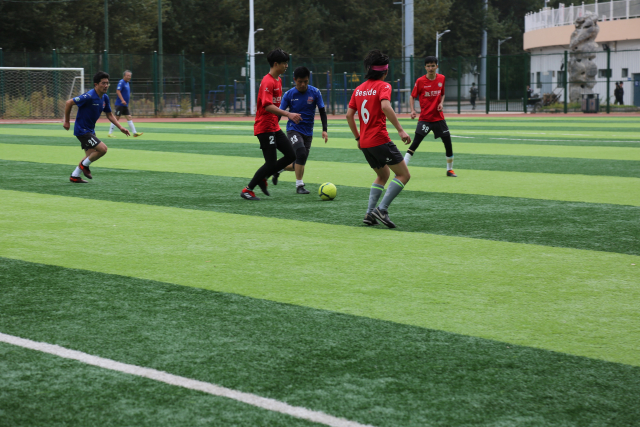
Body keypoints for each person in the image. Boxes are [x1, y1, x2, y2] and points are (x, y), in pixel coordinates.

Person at [346, 50, 411, 229]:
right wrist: (400, 130)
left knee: (383, 175)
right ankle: (382, 210)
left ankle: (369, 213)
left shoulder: (358, 89)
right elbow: (385, 106)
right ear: (385, 71)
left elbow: (349, 115)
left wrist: (358, 137)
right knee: (404, 175)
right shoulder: (384, 86)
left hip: (365, 143)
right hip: (379, 140)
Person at [240, 48, 301, 201]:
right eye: (284, 63)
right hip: (265, 127)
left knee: (291, 155)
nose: (286, 66)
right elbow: (267, 106)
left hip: (273, 126)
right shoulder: (267, 81)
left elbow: (275, 105)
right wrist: (288, 114)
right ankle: (247, 190)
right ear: (275, 64)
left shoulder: (278, 80)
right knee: (271, 163)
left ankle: (263, 178)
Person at [63, 71, 130, 183]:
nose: (106, 85)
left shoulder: (105, 97)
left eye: (107, 83)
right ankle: (83, 166)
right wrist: (66, 121)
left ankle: (75, 176)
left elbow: (109, 114)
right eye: (103, 83)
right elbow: (68, 102)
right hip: (82, 130)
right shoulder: (89, 96)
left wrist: (121, 127)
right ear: (96, 84)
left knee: (90, 156)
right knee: (103, 149)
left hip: (90, 130)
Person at [273, 66, 328, 194]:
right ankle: (299, 186)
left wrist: (324, 130)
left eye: (305, 81)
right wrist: (273, 128)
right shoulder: (289, 94)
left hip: (308, 132)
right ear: (294, 80)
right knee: (301, 153)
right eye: (300, 82)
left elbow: (322, 111)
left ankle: (277, 168)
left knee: (299, 162)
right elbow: (280, 112)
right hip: (293, 129)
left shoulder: (315, 92)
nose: (303, 84)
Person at [404, 56, 456, 177]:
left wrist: (441, 103)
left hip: (439, 119)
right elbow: (412, 96)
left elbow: (442, 94)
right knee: (415, 144)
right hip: (425, 119)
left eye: (433, 66)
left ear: (437, 66)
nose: (431, 68)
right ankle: (402, 170)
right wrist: (412, 110)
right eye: (428, 66)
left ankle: (450, 170)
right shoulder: (420, 81)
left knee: (448, 143)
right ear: (425, 67)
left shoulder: (441, 78)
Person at [108, 70, 143, 137]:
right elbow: (118, 91)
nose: (129, 77)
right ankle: (110, 133)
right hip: (120, 104)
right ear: (124, 76)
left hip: (124, 105)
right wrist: (122, 100)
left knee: (129, 117)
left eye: (130, 76)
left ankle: (134, 133)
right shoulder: (121, 82)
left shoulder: (127, 83)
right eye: (127, 75)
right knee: (116, 118)